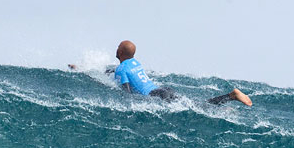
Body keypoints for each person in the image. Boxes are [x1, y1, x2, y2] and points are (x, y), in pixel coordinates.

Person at [70, 40, 252, 106]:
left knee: (200, 106)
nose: (115, 49)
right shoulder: (134, 63)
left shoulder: (122, 68)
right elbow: (113, 71)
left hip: (156, 96)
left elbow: (125, 92)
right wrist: (84, 69)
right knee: (197, 104)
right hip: (161, 90)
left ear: (120, 53)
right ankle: (227, 100)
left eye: (117, 47)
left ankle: (231, 96)